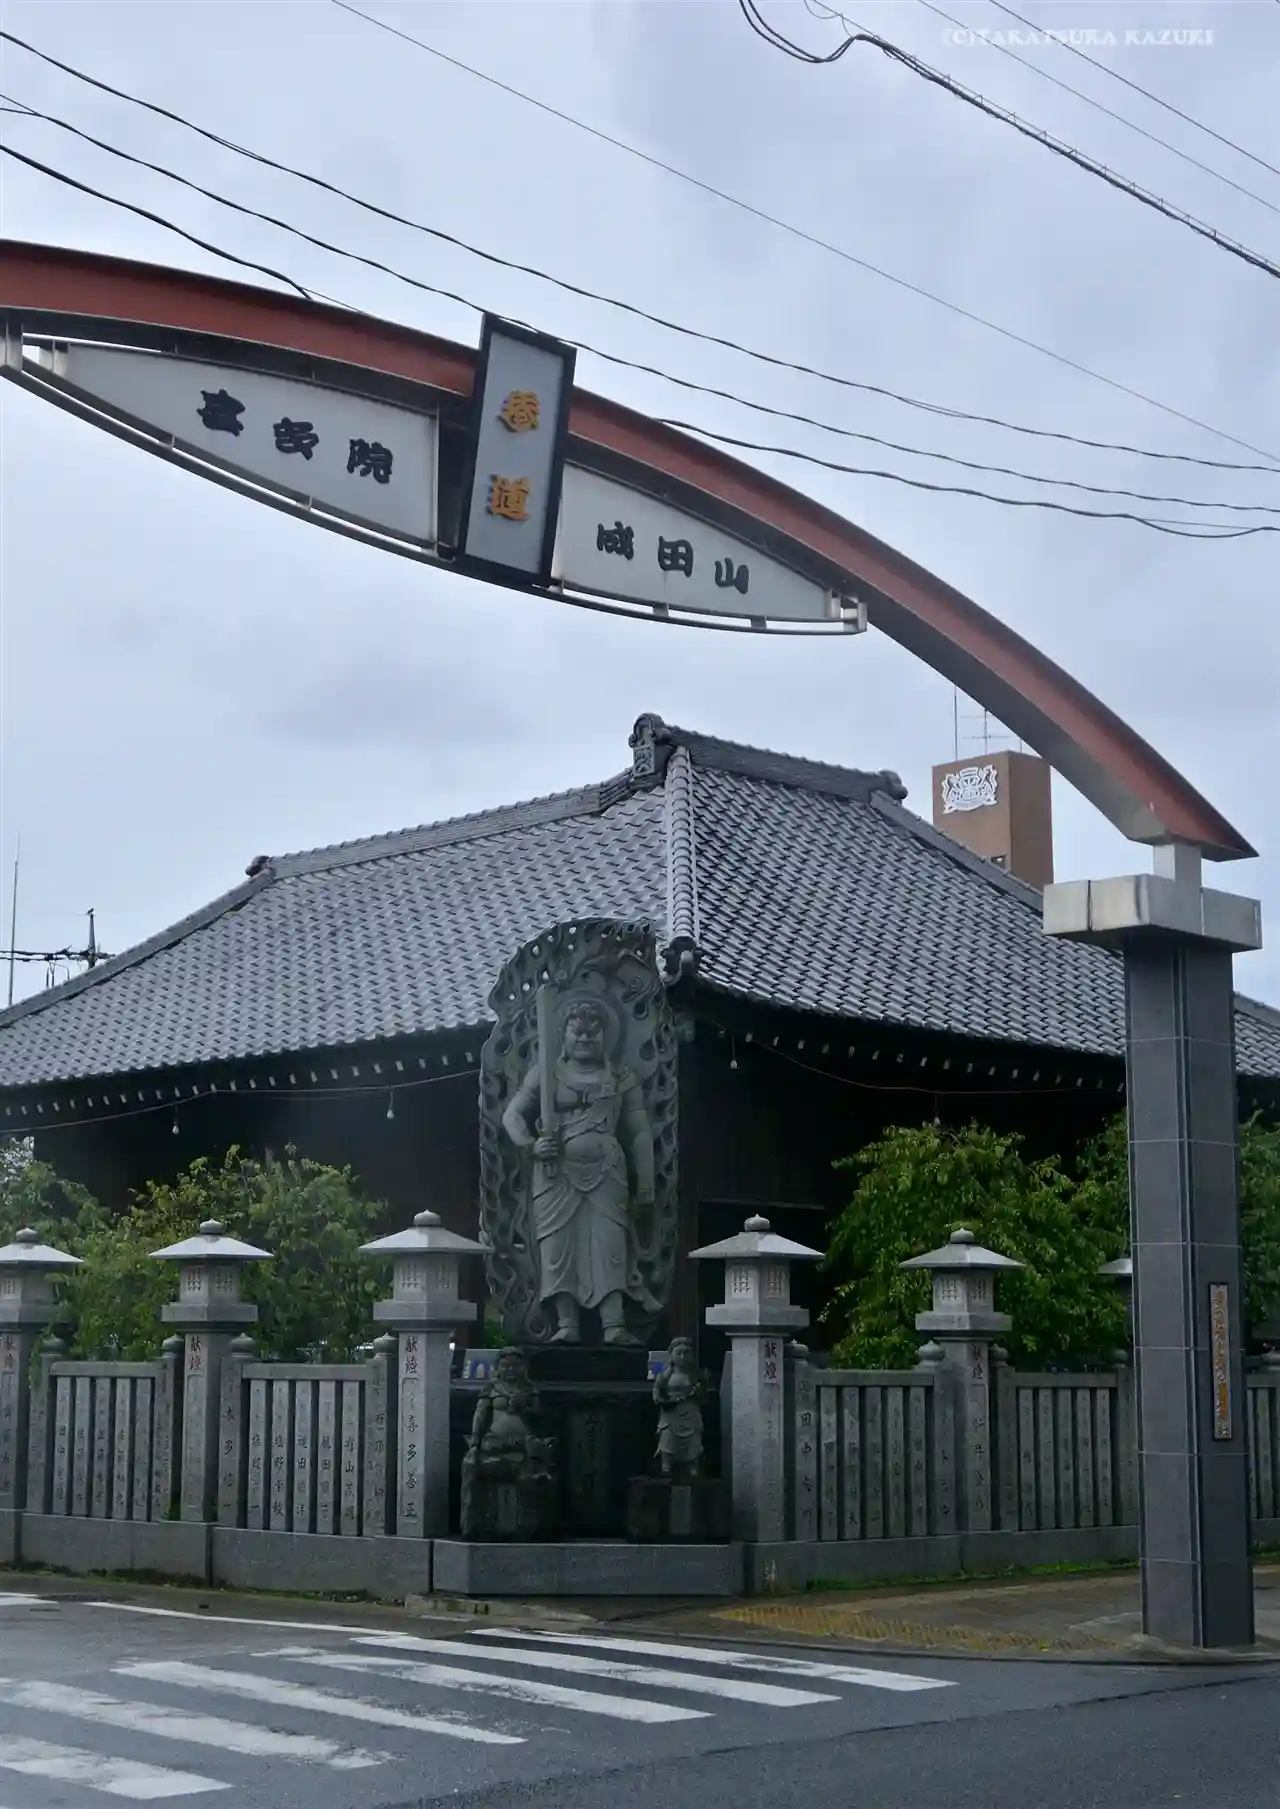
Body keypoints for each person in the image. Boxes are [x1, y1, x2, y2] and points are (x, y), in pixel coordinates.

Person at [502, 997, 656, 1344]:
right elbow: (512, 1115)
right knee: (558, 1249)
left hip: (607, 1172)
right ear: (563, 1035)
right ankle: (567, 1323)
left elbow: (639, 1132)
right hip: (555, 1174)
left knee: (610, 1247)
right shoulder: (546, 1072)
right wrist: (531, 1145)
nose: (585, 1038)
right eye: (577, 1032)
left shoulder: (620, 1077)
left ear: (606, 1036)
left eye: (593, 1032)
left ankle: (614, 1324)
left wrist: (646, 1185)